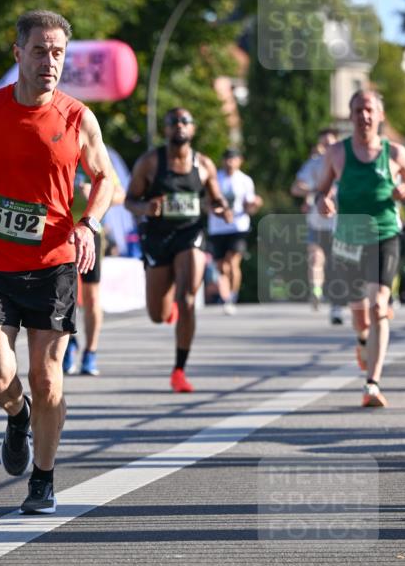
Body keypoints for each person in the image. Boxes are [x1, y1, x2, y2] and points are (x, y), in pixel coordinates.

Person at [0, 10, 115, 514]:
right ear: (18, 54)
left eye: (58, 53)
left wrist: (87, 223)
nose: (50, 61)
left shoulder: (78, 118)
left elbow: (106, 180)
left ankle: (44, 477)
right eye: (39, 51)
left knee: (49, 377)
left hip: (52, 263)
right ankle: (17, 416)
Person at [317, 90, 405, 408]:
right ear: (350, 116)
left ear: (380, 115)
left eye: (369, 110)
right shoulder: (337, 153)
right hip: (349, 239)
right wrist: (323, 202)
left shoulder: (395, 153)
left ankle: (372, 384)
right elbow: (321, 191)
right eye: (357, 110)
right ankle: (363, 340)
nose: (363, 116)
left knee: (379, 305)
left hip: (384, 235)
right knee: (360, 314)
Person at [125, 107, 232, 393]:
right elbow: (129, 200)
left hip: (190, 233)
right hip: (158, 238)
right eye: (174, 122)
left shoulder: (205, 165)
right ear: (166, 129)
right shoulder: (150, 163)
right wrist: (145, 207)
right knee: (157, 316)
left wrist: (222, 208)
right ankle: (168, 305)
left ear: (193, 129)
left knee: (187, 299)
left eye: (186, 121)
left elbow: (218, 197)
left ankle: (179, 370)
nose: (180, 126)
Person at [63, 160, 125, 376]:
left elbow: (120, 195)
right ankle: (68, 344)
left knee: (91, 297)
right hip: (60, 233)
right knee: (63, 295)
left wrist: (94, 195)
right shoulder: (57, 144)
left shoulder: (97, 155)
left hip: (90, 233)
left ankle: (90, 351)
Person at [290, 129, 344, 324]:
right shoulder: (314, 164)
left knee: (337, 267)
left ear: (337, 144)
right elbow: (296, 187)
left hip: (339, 223)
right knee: (315, 259)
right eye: (323, 144)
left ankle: (336, 307)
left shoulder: (344, 163)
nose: (326, 147)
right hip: (316, 221)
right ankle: (316, 291)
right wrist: (315, 191)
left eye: (330, 143)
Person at [207, 147, 263, 315]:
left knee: (232, 262)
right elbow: (207, 202)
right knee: (221, 266)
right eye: (227, 159)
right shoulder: (215, 178)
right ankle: (225, 298)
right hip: (218, 227)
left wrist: (255, 205)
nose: (230, 162)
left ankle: (232, 296)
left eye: (234, 159)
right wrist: (215, 210)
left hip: (238, 227)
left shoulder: (245, 180)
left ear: (240, 161)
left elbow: (250, 206)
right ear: (223, 161)